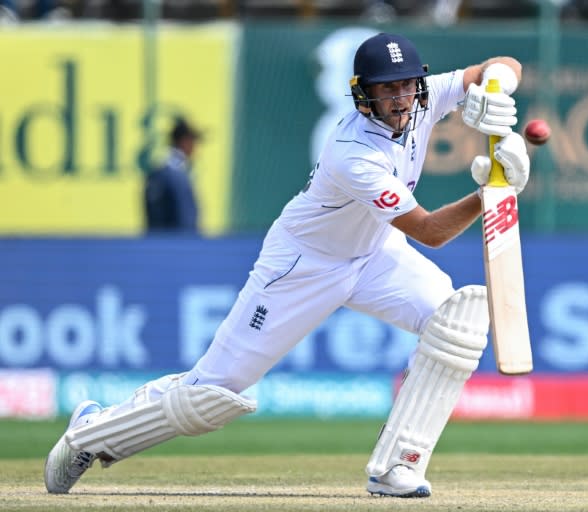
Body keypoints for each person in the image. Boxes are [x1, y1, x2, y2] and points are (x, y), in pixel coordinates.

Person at [44, 32, 530, 498]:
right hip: (304, 264)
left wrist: (494, 87)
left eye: (407, 85)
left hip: (375, 254)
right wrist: (490, 192)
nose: (402, 99)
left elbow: (503, 65)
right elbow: (430, 232)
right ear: (365, 96)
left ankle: (398, 466)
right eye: (388, 89)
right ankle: (90, 433)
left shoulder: (425, 99)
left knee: (456, 321)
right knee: (211, 396)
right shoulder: (354, 152)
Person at [143, 117, 202, 233]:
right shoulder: (171, 172)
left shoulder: (166, 169)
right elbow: (184, 217)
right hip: (175, 244)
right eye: (193, 141)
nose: (195, 147)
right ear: (184, 141)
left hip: (170, 243)